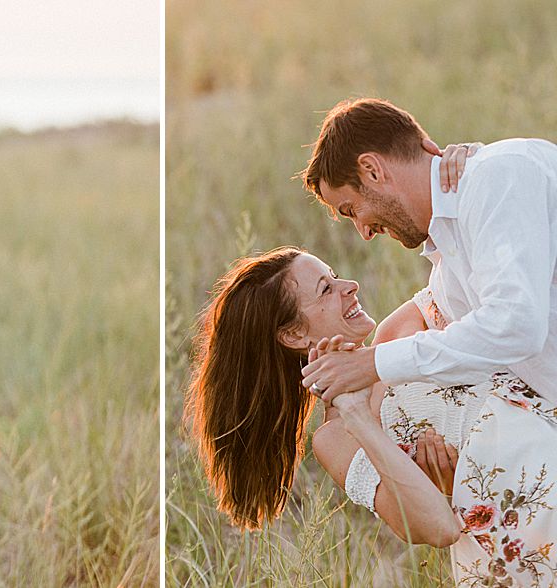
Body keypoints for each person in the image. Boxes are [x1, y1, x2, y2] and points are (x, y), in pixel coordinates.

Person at [188, 246, 557, 585]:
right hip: (528, 542)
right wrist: (357, 414)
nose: (349, 286)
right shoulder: (337, 437)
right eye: (325, 289)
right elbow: (440, 529)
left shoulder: (403, 329)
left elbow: (486, 285)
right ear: (295, 334)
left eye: (334, 275)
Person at [297, 98, 557, 408]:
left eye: (351, 209)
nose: (364, 232)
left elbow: (516, 324)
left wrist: (373, 364)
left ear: (372, 170)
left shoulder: (498, 175)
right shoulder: (446, 273)